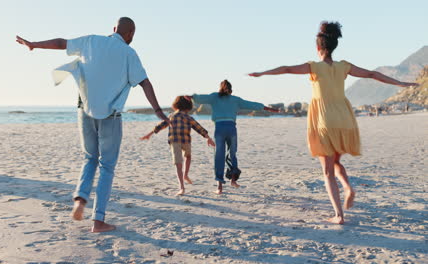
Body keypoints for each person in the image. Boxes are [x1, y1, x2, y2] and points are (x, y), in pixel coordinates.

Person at [248, 21, 417, 224]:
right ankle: (347, 187)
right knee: (335, 162)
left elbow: (286, 69)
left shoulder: (313, 67)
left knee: (327, 171)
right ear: (334, 46)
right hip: (344, 118)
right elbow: (372, 74)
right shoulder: (344, 66)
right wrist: (400, 83)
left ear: (318, 47)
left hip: (324, 119)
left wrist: (263, 73)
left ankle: (338, 215)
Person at [16, 17, 170, 232]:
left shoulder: (90, 41)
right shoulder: (129, 54)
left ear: (114, 29)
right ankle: (98, 221)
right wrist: (158, 111)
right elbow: (144, 82)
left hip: (84, 112)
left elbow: (61, 43)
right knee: (106, 166)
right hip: (110, 117)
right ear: (130, 33)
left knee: (89, 159)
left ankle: (80, 200)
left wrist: (34, 44)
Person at [185, 80, 278, 194]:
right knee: (232, 153)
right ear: (231, 89)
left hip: (219, 128)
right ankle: (233, 180)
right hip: (231, 128)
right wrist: (267, 108)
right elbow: (251, 104)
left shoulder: (214, 97)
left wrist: (190, 97)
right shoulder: (235, 99)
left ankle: (219, 186)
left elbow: (201, 98)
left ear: (220, 88)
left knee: (219, 155)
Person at [141, 96, 215, 195]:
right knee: (187, 158)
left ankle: (182, 186)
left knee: (178, 164)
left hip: (175, 141)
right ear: (188, 106)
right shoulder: (187, 117)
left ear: (175, 105)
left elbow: (160, 126)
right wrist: (208, 137)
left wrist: (149, 134)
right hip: (185, 141)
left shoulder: (172, 116)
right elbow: (199, 128)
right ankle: (184, 178)